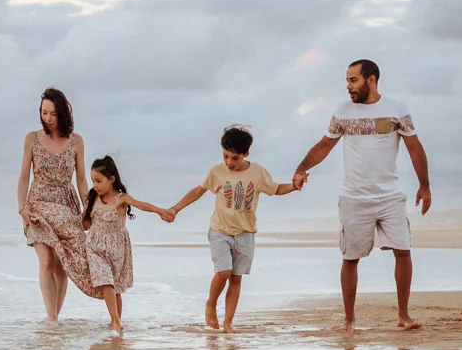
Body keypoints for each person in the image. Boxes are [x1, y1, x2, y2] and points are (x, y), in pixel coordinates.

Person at [292, 59, 430, 332]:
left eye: (353, 80)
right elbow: (325, 145)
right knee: (350, 258)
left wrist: (424, 186)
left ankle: (403, 315)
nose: (348, 87)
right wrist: (301, 168)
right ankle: (349, 320)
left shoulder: (397, 109)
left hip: (390, 196)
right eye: (347, 81)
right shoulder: (343, 111)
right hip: (354, 197)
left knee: (403, 251)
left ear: (371, 80)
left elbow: (415, 147)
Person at [167, 124, 301, 332]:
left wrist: (294, 186)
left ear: (246, 153)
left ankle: (228, 322)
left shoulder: (257, 172)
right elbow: (198, 191)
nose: (229, 162)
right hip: (220, 230)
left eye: (235, 158)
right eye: (225, 156)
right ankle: (211, 303)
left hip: (246, 233)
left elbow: (275, 189)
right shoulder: (217, 172)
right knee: (224, 272)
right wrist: (176, 208)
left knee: (236, 278)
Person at [17, 87, 97, 320]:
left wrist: (88, 209)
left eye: (52, 114)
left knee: (64, 265)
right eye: (44, 113)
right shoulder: (31, 138)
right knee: (46, 259)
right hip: (37, 205)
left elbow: (81, 179)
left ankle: (55, 317)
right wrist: (22, 208)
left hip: (65, 205)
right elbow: (24, 176)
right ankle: (51, 318)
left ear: (63, 114)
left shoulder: (76, 142)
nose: (48, 119)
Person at [82, 155, 174, 332]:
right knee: (106, 282)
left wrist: (160, 211)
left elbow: (141, 205)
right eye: (93, 180)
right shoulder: (93, 198)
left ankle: (115, 321)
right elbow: (84, 222)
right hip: (95, 247)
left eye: (99, 181)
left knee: (114, 287)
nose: (95, 185)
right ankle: (116, 321)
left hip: (117, 248)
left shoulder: (121, 199)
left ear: (111, 179)